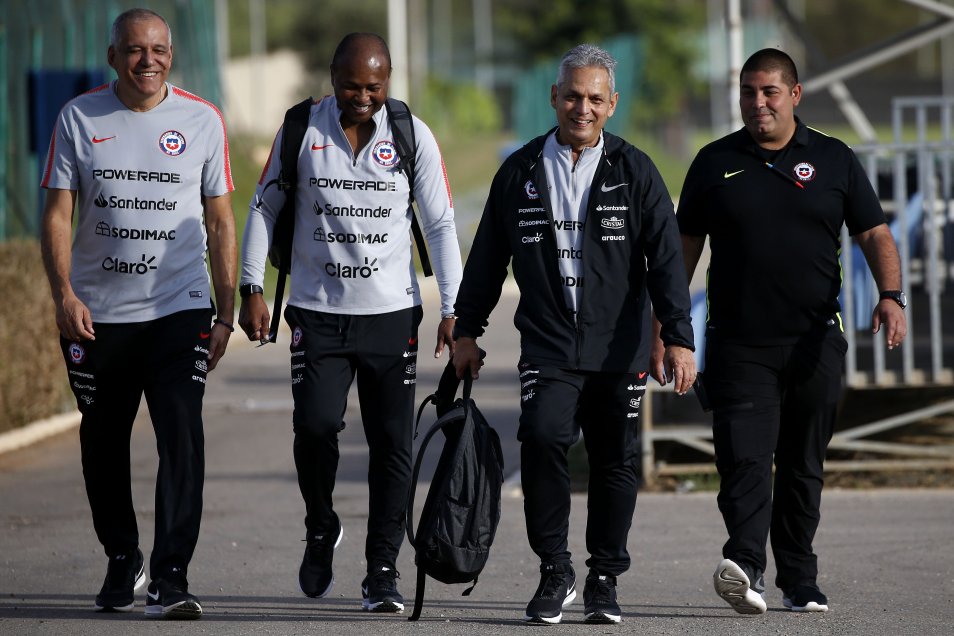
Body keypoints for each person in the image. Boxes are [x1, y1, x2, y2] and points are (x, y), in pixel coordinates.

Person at [452, 44, 697, 625]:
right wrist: (467, 330)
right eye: (571, 96)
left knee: (616, 460)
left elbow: (666, 261)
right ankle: (555, 570)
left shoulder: (636, 170)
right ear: (553, 98)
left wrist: (678, 337)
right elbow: (488, 259)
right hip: (549, 343)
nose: (580, 108)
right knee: (541, 437)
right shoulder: (519, 171)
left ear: (612, 104)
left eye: (593, 98)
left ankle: (604, 577)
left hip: (620, 346)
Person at [669, 48, 907, 615]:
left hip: (814, 341)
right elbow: (684, 250)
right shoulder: (712, 161)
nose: (758, 103)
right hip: (738, 344)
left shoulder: (833, 158)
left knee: (802, 464)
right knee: (744, 461)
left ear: (794, 95)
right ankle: (745, 566)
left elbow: (874, 234)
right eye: (749, 92)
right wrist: (668, 326)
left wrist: (891, 297)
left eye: (769, 91)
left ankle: (800, 578)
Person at [238, 33, 462, 613]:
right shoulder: (300, 129)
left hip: (392, 315)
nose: (363, 97)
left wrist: (454, 309)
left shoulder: (412, 134)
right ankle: (320, 524)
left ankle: (382, 569)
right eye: (351, 86)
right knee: (314, 427)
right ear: (332, 78)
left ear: (388, 79)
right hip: (317, 311)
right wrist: (251, 286)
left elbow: (439, 225)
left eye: (374, 86)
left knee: (393, 445)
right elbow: (264, 207)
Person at [39, 8, 236, 620]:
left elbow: (221, 219)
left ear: (171, 55)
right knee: (102, 441)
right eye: (133, 50)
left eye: (157, 49)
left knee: (182, 434)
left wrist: (224, 309)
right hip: (100, 317)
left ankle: (172, 576)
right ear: (112, 57)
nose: (146, 60)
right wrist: (65, 295)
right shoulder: (79, 117)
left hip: (180, 310)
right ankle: (123, 556)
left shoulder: (202, 120)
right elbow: (57, 215)